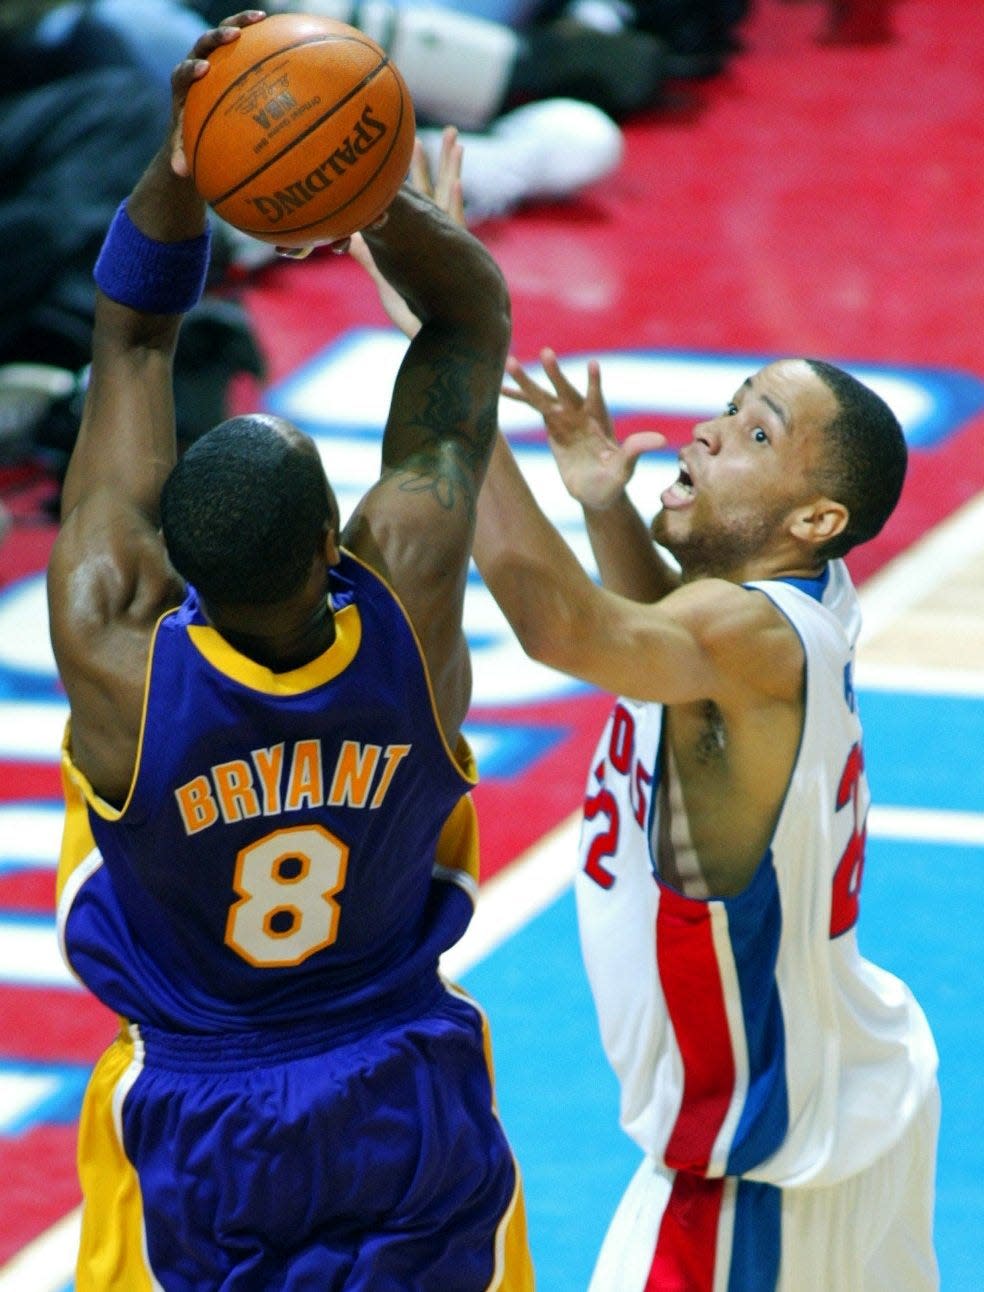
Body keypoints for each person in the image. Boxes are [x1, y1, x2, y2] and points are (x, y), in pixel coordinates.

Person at [46, 11, 533, 1288]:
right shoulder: (408, 610)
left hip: (212, 1120)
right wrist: (367, 187)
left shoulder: (120, 659)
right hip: (403, 1079)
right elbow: (468, 323)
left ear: (173, 575)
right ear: (339, 539)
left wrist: (185, 161)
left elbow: (133, 337)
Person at [472, 350, 940, 1288]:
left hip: (754, 1172)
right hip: (842, 1103)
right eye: (730, 409)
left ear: (816, 519)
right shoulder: (803, 599)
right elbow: (673, 650)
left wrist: (456, 376)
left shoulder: (753, 638)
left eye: (757, 433)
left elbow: (559, 626)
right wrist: (607, 504)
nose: (709, 431)